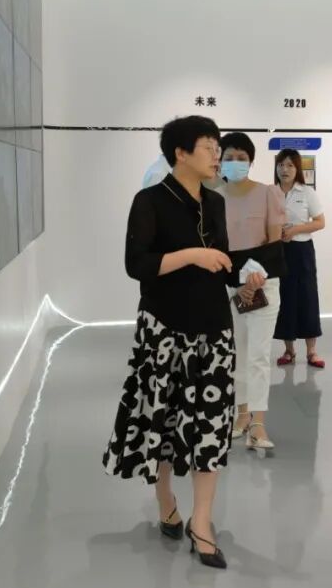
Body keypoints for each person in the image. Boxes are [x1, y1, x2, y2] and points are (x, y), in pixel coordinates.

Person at [102, 115, 234, 569]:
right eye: (208, 146)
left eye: (218, 146)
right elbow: (137, 265)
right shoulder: (150, 201)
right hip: (163, 330)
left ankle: (203, 521)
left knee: (211, 426)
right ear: (180, 152)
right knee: (163, 420)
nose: (217, 155)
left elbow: (222, 260)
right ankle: (166, 502)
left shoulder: (216, 203)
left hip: (214, 330)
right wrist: (193, 255)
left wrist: (243, 275)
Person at [218, 132, 287, 450]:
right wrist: (238, 282)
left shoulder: (267, 193)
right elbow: (215, 247)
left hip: (264, 283)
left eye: (242, 158)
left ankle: (258, 423)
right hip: (228, 285)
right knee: (237, 352)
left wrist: (252, 279)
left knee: (258, 354)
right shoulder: (213, 197)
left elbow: (274, 241)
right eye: (229, 157)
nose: (235, 163)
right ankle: (241, 414)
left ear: (251, 161)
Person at [272, 149, 327, 368]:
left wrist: (295, 230)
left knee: (307, 297)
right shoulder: (270, 192)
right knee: (285, 298)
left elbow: (320, 222)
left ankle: (312, 352)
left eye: (289, 165)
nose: (284, 169)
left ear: (297, 169)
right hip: (279, 251)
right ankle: (289, 351)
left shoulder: (306, 192)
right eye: (281, 165)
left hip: (302, 251)